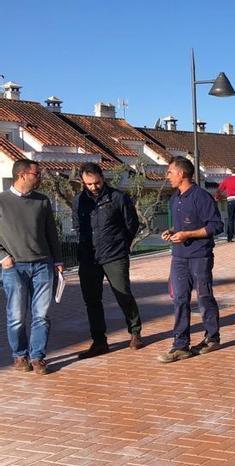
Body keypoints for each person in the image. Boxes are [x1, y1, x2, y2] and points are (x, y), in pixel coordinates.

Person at [73, 162, 144, 358]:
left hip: (114, 255)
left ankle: (135, 332)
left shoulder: (118, 197)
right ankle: (99, 341)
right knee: (92, 301)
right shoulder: (78, 201)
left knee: (123, 294)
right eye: (89, 184)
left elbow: (132, 224)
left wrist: (121, 245)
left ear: (102, 178)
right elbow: (77, 226)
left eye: (96, 182)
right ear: (83, 182)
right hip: (89, 258)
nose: (94, 187)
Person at [0, 159, 64, 375]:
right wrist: (3, 257)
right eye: (36, 174)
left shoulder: (42, 201)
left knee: (41, 314)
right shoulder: (1, 201)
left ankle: (37, 358)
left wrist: (57, 260)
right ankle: (20, 355)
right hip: (14, 267)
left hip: (43, 265)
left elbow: (51, 233)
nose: (40, 177)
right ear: (22, 175)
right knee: (17, 315)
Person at [159, 157, 225, 363]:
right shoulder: (174, 199)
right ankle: (180, 345)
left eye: (170, 172)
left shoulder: (201, 197)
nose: (167, 176)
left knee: (204, 298)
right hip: (179, 256)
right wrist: (172, 232)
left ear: (182, 174)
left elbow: (216, 226)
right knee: (179, 299)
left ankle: (212, 338)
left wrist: (188, 235)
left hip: (200, 256)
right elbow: (181, 228)